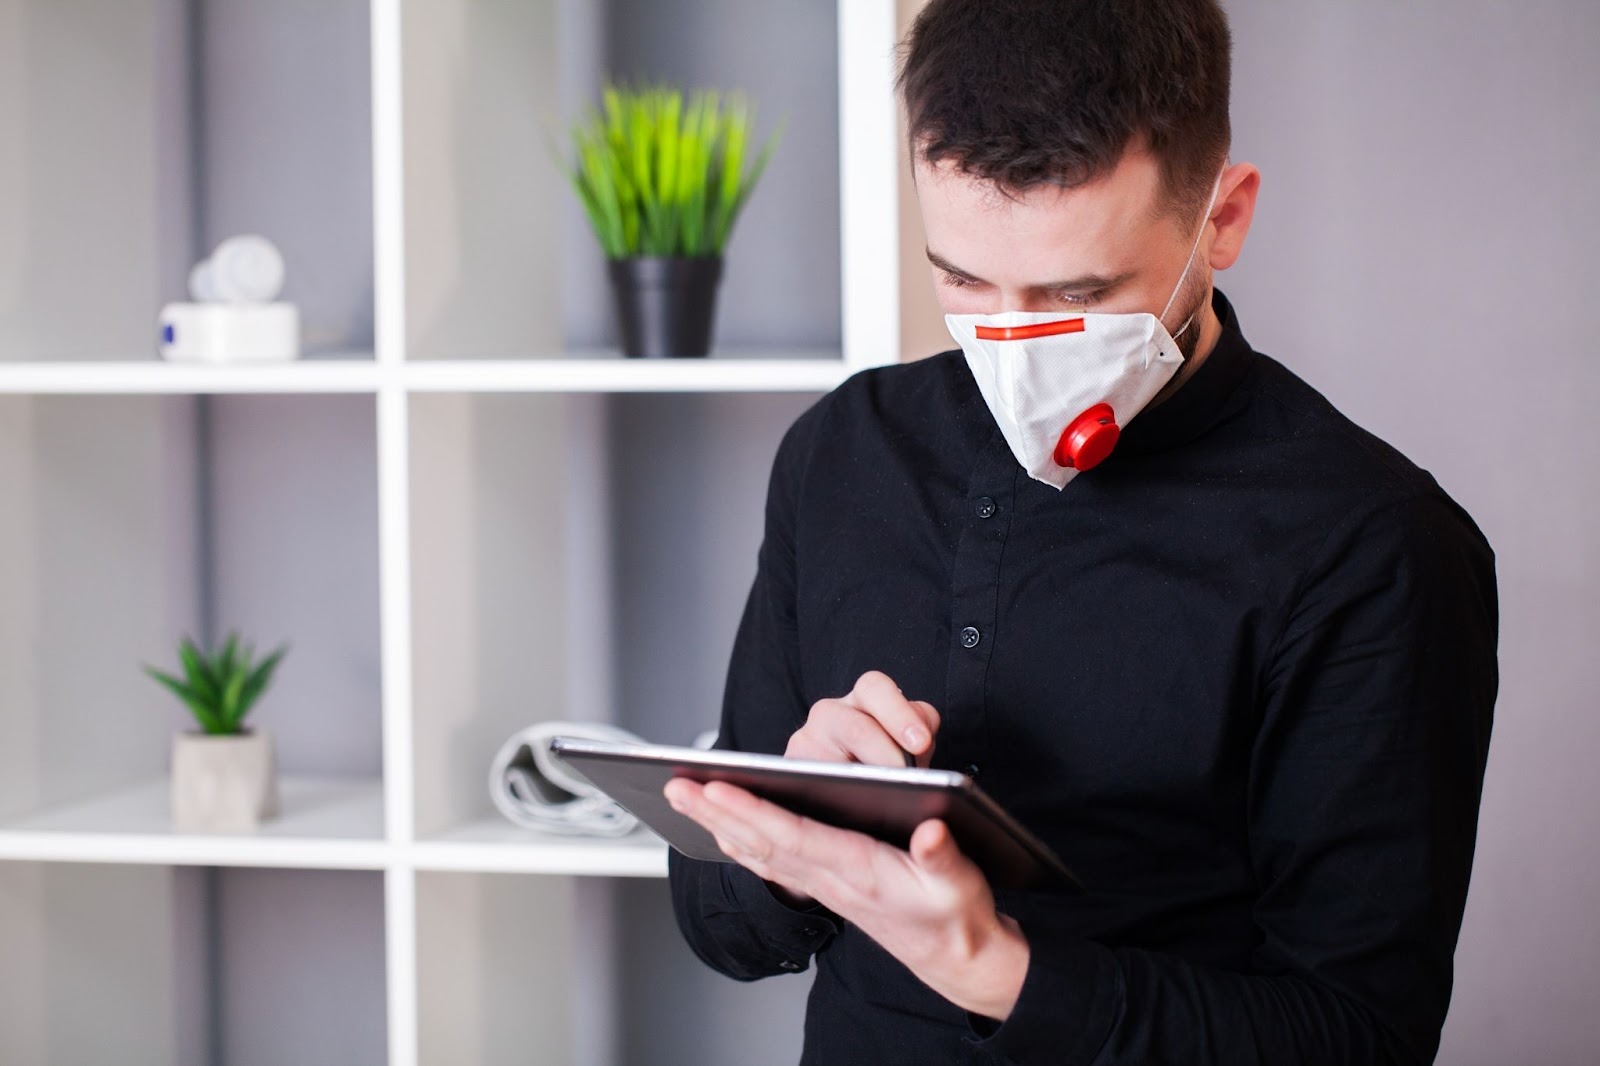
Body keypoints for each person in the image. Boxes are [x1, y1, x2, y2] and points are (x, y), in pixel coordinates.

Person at [663, 0, 1499, 1062]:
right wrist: (790, 831)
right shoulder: (842, 451)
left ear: (1223, 220)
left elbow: (1358, 1035)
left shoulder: (1373, 546)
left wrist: (997, 973)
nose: (1011, 344)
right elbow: (719, 927)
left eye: (1075, 292)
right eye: (962, 278)